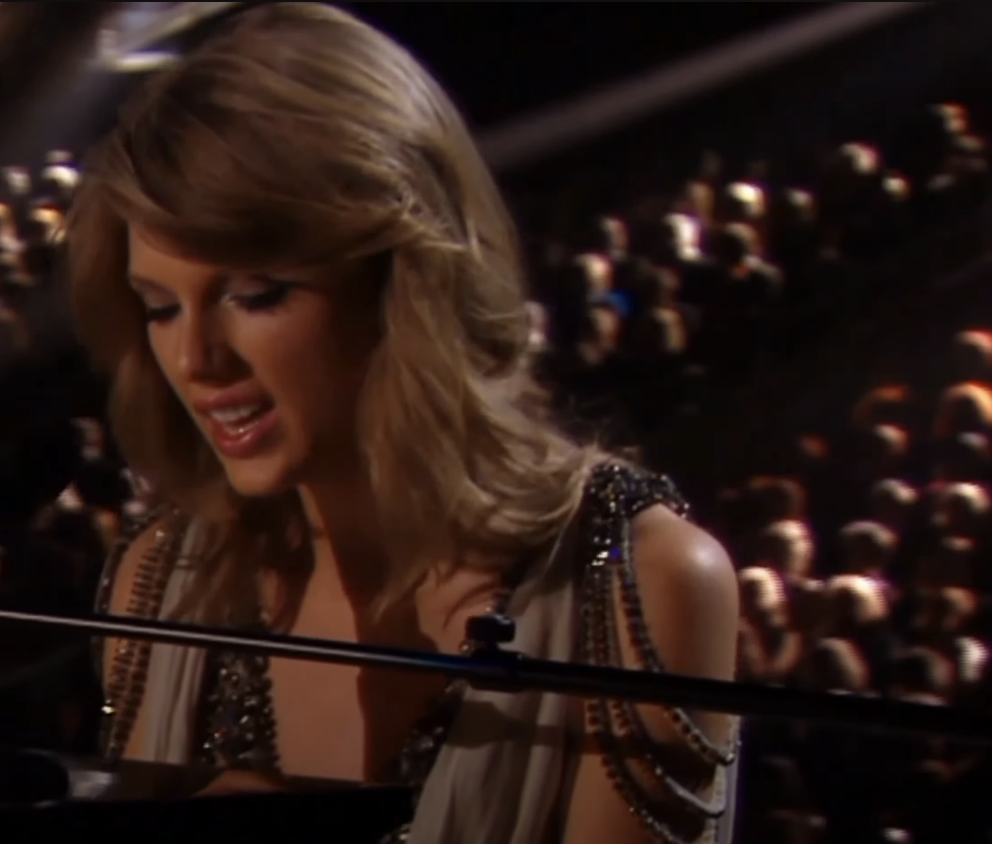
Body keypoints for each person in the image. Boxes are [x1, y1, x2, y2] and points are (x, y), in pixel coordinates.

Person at [66, 4, 740, 843]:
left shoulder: (634, 589)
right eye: (160, 308)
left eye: (256, 295)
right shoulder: (158, 587)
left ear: (404, 285)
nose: (197, 360)